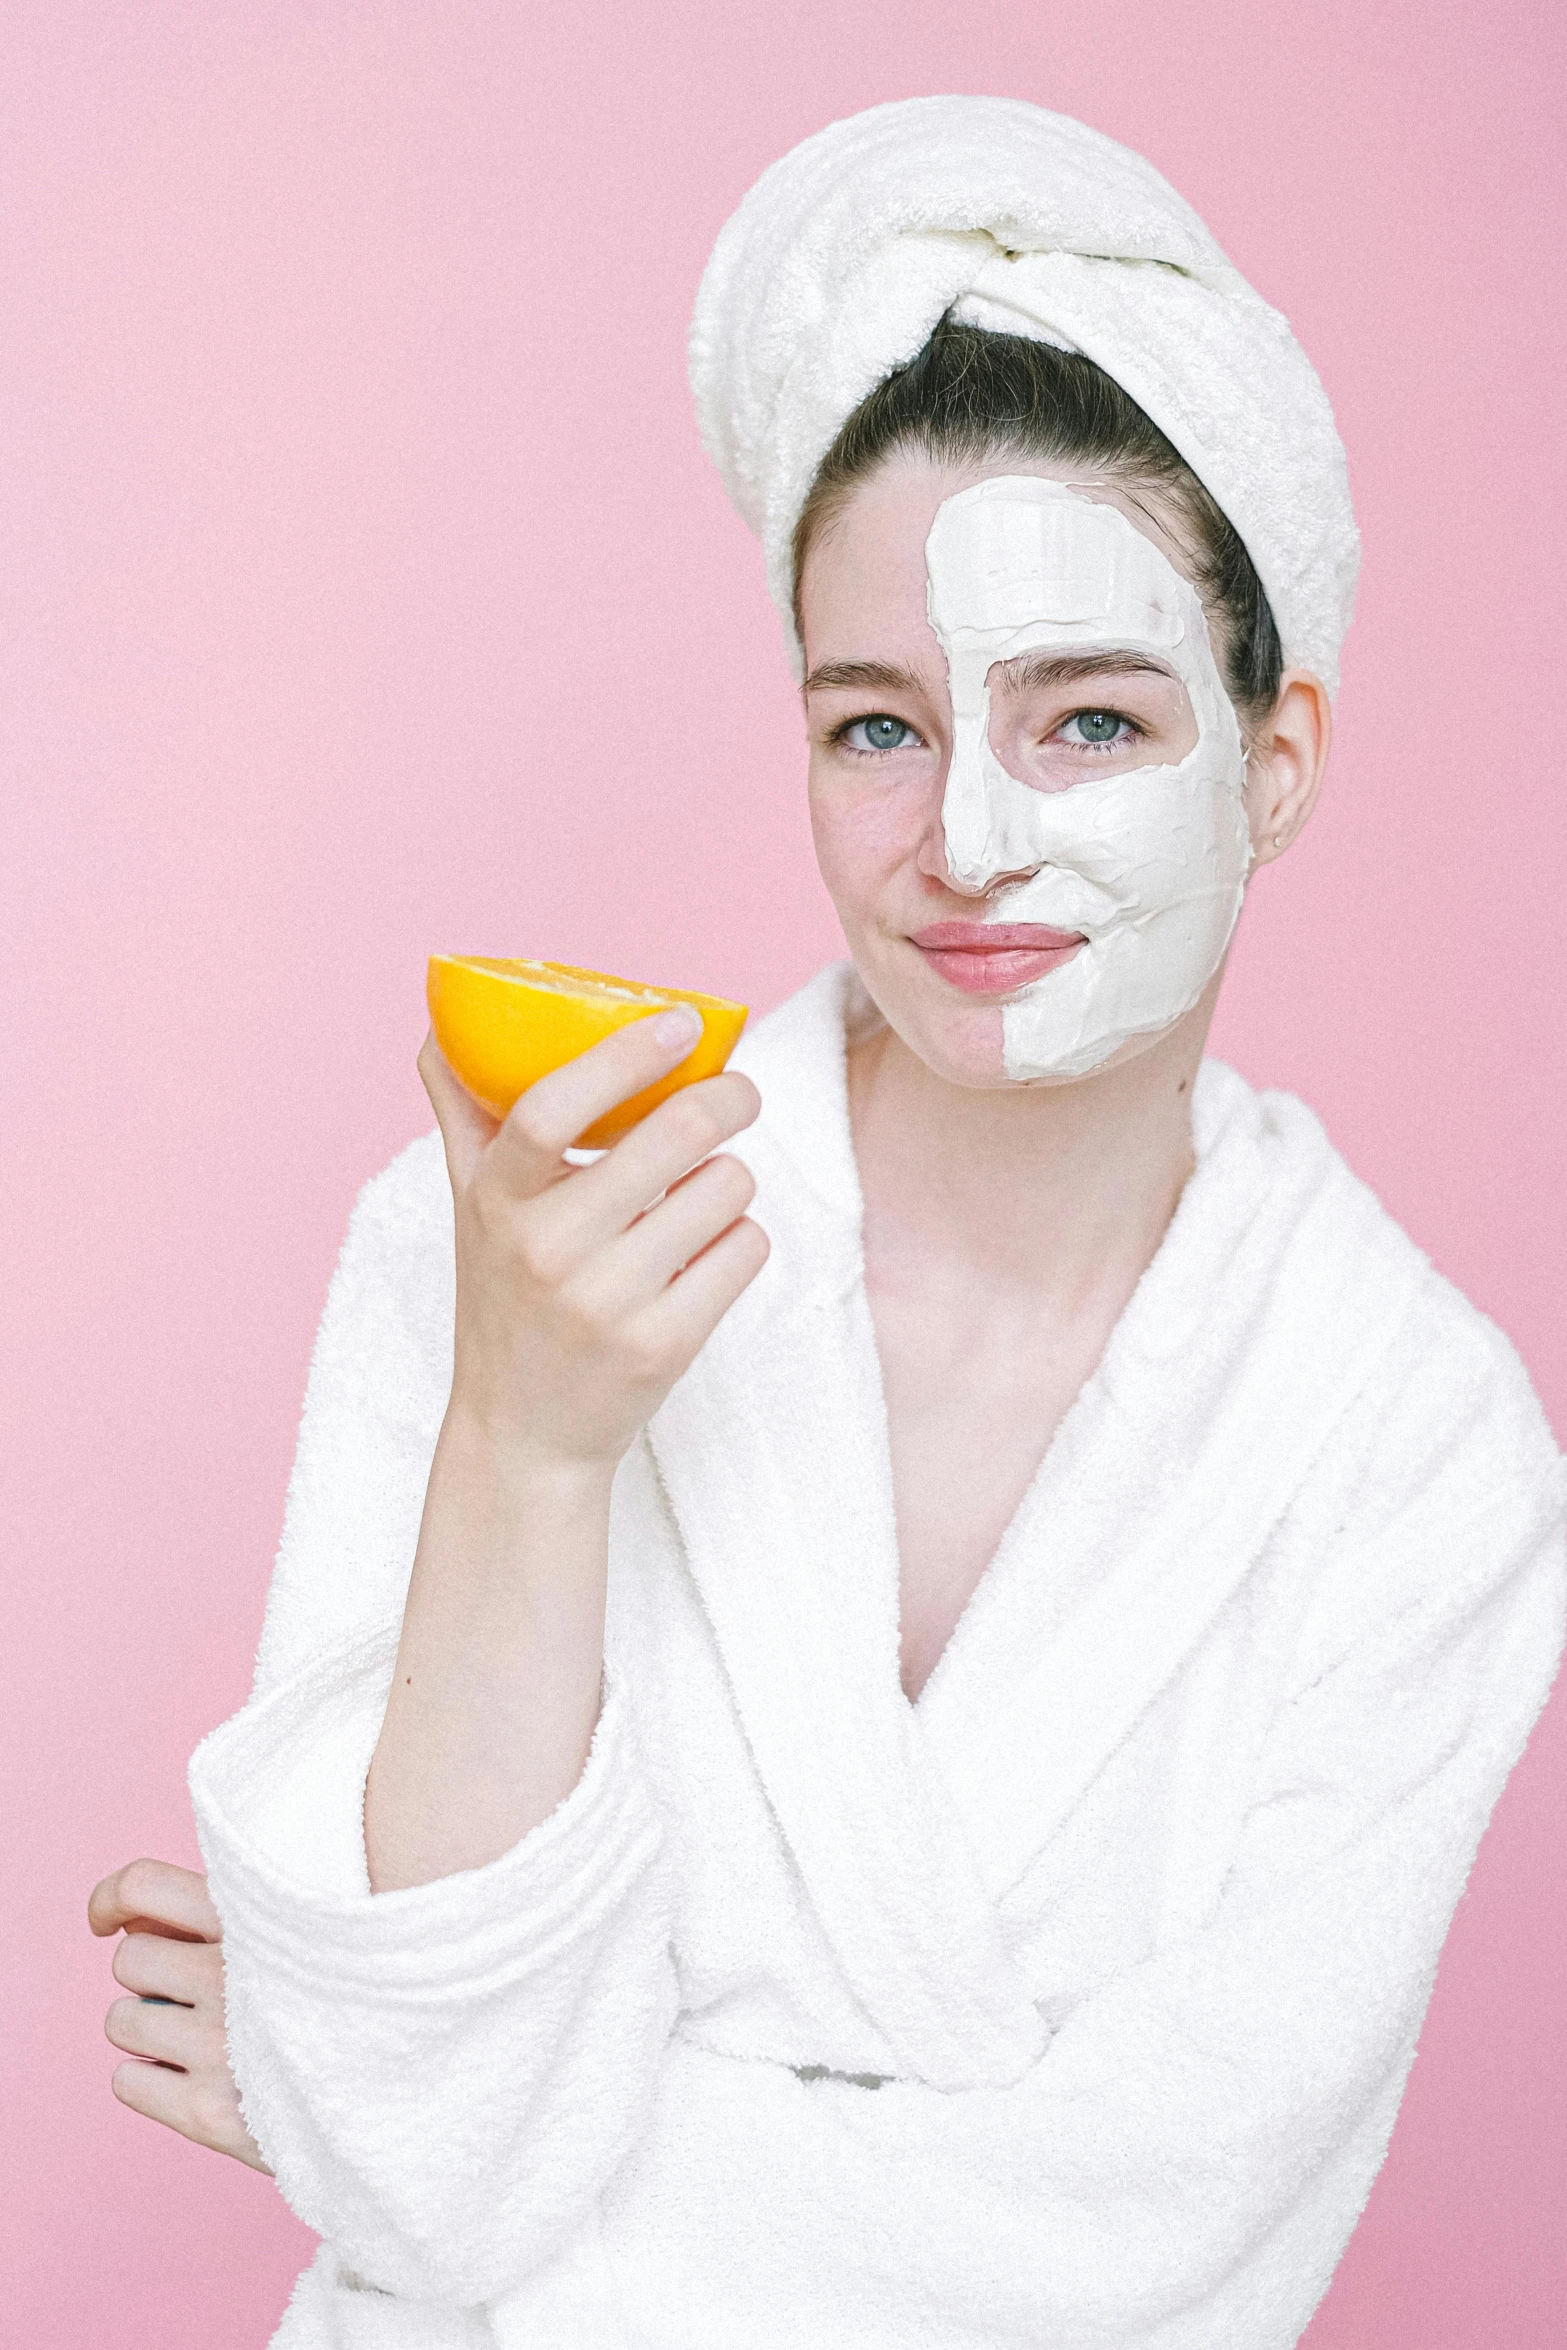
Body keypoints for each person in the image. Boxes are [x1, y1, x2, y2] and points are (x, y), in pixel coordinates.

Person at [90, 96, 1564, 2350]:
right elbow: (433, 2148)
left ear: (1280, 758)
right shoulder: (506, 1233)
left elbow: (1135, 2250)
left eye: (1087, 717)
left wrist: (398, 2105)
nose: (964, 836)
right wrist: (536, 1437)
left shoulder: (1424, 1455)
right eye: (876, 725)